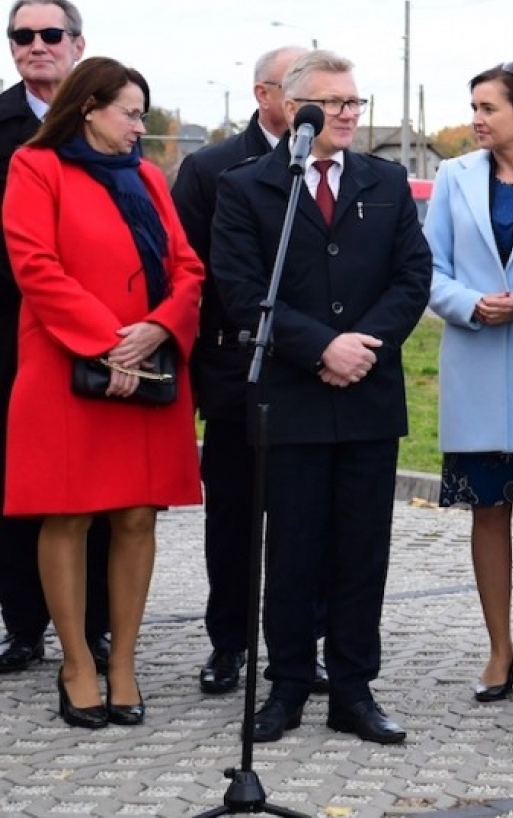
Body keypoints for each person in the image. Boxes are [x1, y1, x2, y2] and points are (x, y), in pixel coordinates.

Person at [209, 50, 431, 745]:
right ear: (297, 108)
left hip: (367, 392)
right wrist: (317, 347)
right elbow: (242, 290)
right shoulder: (247, 186)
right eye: (331, 103)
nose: (345, 114)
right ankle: (288, 683)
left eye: (353, 103)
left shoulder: (387, 180)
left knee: (363, 546)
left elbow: (413, 277)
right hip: (293, 394)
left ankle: (354, 687)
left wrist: (362, 343)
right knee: (295, 545)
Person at [2, 57, 204, 728]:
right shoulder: (36, 167)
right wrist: (103, 340)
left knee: (137, 516)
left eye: (143, 113)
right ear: (89, 106)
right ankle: (76, 661)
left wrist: (156, 329)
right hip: (66, 369)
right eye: (129, 112)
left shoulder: (148, 176)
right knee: (68, 513)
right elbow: (36, 266)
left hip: (147, 367)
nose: (138, 127)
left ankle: (124, 662)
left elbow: (186, 267)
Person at [425, 61, 513, 703]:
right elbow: (428, 269)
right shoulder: (453, 177)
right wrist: (469, 303)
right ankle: (496, 649)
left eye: (488, 107)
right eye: (474, 106)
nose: (476, 119)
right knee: (487, 509)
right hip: (476, 361)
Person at [171, 45, 312, 697]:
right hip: (237, 362)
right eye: (298, 85)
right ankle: (229, 641)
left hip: (311, 365)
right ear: (264, 94)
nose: (313, 99)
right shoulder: (210, 168)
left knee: (301, 516)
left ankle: (298, 645)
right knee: (233, 514)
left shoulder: (334, 162)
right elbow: (192, 270)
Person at [0, 0, 112, 677]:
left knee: (100, 486)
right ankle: (23, 624)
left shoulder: (107, 122)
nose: (35, 44)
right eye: (21, 35)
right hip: (12, 337)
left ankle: (97, 625)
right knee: (21, 486)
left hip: (102, 332)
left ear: (76, 41)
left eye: (49, 33)